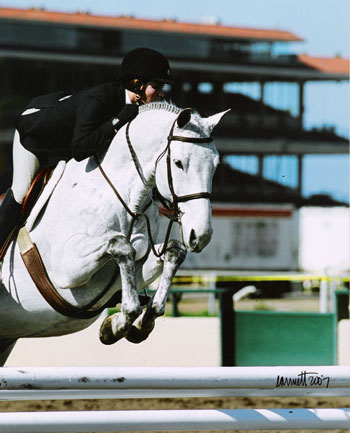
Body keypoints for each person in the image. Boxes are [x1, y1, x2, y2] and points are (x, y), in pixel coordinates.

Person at [0, 47, 173, 252]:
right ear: (136, 83)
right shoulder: (100, 98)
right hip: (36, 136)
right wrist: (117, 121)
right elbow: (80, 149)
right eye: (157, 85)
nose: (162, 92)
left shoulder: (137, 109)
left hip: (66, 145)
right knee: (21, 191)